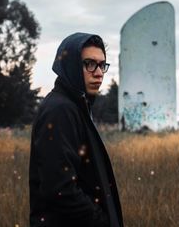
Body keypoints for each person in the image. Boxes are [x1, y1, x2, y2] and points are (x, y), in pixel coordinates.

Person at [29, 33, 124, 227]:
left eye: (102, 65)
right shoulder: (60, 111)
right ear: (71, 65)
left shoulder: (75, 107)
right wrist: (102, 222)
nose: (98, 73)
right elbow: (60, 190)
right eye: (89, 64)